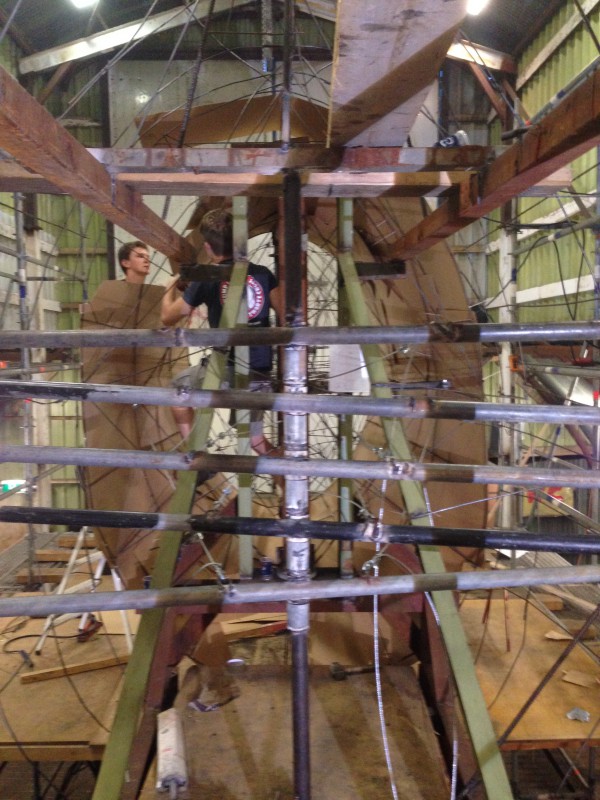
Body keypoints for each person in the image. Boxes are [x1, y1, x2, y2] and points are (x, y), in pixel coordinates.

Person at [161, 209, 280, 454]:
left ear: (207, 247)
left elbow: (168, 317)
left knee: (176, 391)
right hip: (260, 371)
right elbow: (287, 311)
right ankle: (291, 476)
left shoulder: (207, 278)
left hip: (226, 370)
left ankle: (197, 455)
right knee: (256, 441)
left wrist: (169, 286)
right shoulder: (263, 274)